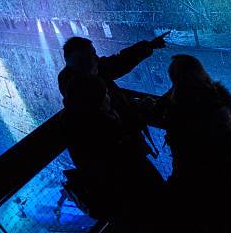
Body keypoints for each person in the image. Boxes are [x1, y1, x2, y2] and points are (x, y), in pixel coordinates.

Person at [58, 34, 167, 232]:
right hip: (123, 172)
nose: (97, 59)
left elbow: (117, 62)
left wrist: (147, 46)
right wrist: (139, 112)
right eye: (91, 56)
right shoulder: (88, 102)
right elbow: (113, 136)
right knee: (152, 204)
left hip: (121, 170)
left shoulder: (86, 77)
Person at [158, 54, 231, 232]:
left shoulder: (176, 110)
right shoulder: (217, 100)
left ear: (175, 80)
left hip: (196, 186)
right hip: (228, 179)